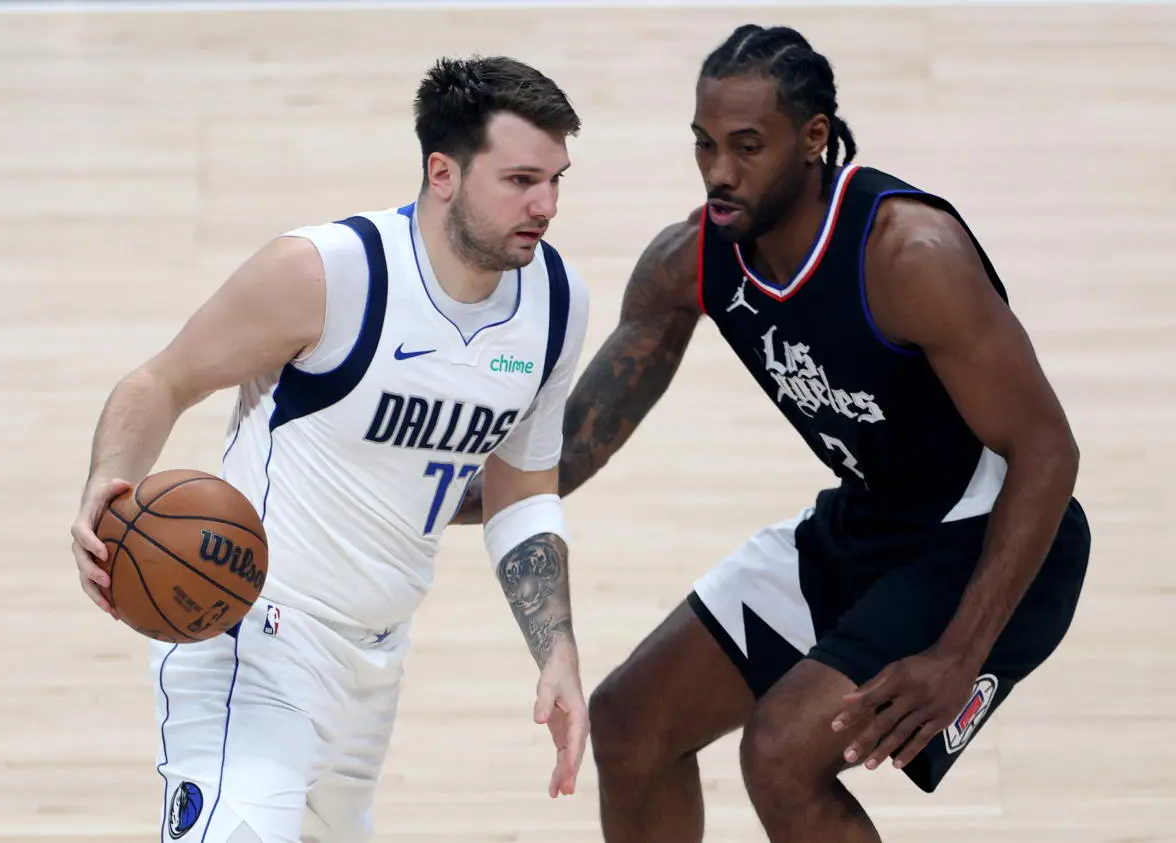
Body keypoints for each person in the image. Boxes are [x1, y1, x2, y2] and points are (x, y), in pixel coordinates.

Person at [453, 24, 1091, 843]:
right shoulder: (691, 260)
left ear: (814, 139)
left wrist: (959, 653)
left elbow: (1048, 451)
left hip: (991, 540)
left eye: (747, 146)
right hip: (868, 524)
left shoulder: (908, 256)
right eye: (704, 144)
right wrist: (428, 496)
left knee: (782, 751)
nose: (720, 171)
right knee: (631, 722)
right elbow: (575, 443)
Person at [69, 55, 592, 843]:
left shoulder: (555, 304)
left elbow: (522, 493)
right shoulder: (326, 274)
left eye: (556, 179)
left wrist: (556, 650)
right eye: (520, 179)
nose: (546, 204)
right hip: (250, 627)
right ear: (442, 172)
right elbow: (162, 380)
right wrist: (108, 485)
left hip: (375, 660)